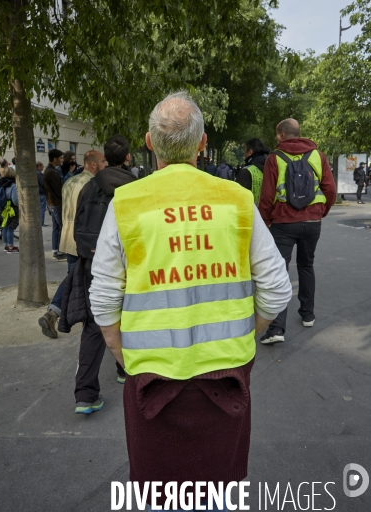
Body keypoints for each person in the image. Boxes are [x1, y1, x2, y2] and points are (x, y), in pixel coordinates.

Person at [89, 92, 291, 509]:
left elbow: (104, 296)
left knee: (156, 495)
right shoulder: (235, 199)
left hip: (151, 380)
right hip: (225, 377)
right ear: (202, 144)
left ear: (148, 141)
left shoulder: (127, 203)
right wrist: (245, 335)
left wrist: (123, 355)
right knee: (218, 494)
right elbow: (277, 288)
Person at [71, 135, 136, 414]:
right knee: (130, 319)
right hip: (129, 265)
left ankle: (85, 395)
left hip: (91, 263)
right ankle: (126, 371)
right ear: (128, 158)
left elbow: (77, 227)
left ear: (105, 159)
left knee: (94, 325)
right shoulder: (136, 188)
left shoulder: (89, 187)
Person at [258, 118, 336, 345]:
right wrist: (321, 211)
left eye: (276, 135)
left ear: (282, 134)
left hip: (283, 223)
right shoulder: (317, 156)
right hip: (312, 221)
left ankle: (277, 329)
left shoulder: (275, 158)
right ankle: (308, 314)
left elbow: (267, 195)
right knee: (306, 265)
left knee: (279, 271)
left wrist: (265, 221)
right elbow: (330, 189)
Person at [38, 150, 106, 338]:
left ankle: (55, 314)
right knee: (77, 280)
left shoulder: (70, 181)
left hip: (67, 237)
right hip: (82, 239)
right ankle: (59, 315)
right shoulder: (91, 184)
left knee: (73, 277)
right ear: (92, 164)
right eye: (102, 161)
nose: (105, 165)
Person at [43, 149, 66, 261]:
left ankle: (55, 250)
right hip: (56, 203)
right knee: (61, 227)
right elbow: (59, 189)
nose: (62, 160)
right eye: (61, 158)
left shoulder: (49, 170)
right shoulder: (52, 172)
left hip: (52, 202)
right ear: (55, 159)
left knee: (56, 228)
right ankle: (59, 251)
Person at [235, 138, 269, 205]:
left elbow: (237, 198)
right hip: (269, 213)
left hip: (250, 213)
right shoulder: (271, 168)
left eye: (245, 151)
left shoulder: (246, 171)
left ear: (250, 152)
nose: (244, 154)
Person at [0, 168, 19, 253]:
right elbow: (15, 200)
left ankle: (6, 245)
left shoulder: (1, 183)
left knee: (4, 226)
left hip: (3, 207)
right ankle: (11, 247)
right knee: (11, 227)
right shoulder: (12, 184)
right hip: (11, 207)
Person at [36, 162, 48, 226]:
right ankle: (41, 222)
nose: (43, 167)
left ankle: (39, 222)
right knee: (42, 208)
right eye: (42, 166)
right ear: (39, 166)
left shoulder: (35, 173)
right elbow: (43, 183)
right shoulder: (39, 174)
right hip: (41, 193)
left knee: (39, 208)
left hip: (37, 193)